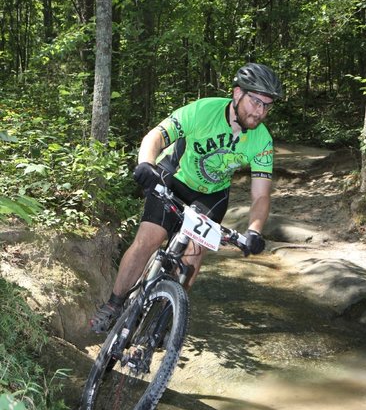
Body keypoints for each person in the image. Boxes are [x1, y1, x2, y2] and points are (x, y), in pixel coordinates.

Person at [90, 62, 283, 333]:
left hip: (212, 196)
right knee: (149, 239)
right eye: (255, 102)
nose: (260, 111)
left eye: (267, 105)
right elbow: (156, 135)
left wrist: (254, 230)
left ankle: (164, 320)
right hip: (176, 179)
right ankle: (113, 304)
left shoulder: (262, 140)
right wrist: (146, 163)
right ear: (238, 93)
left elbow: (261, 195)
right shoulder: (204, 111)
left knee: (193, 257)